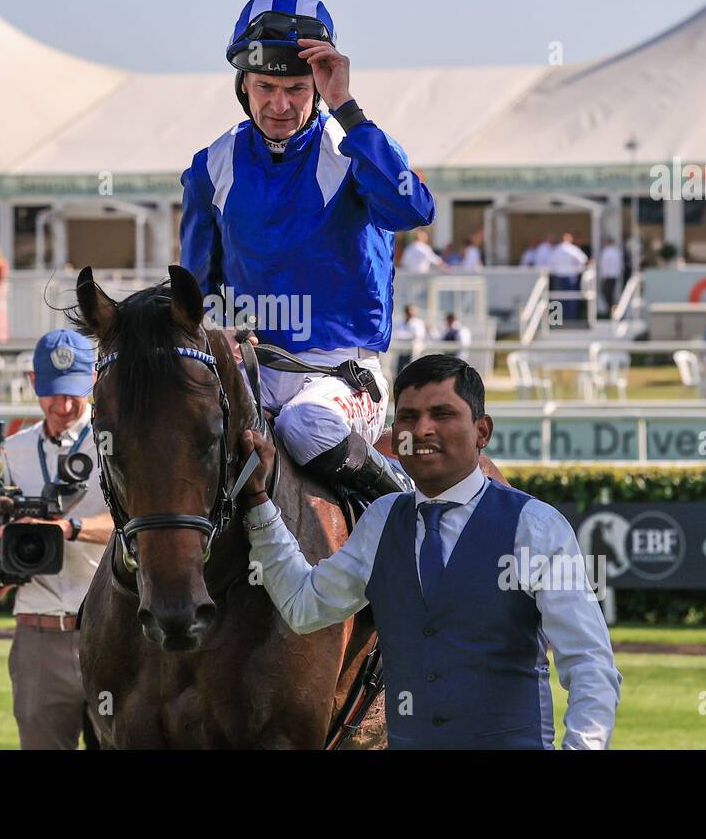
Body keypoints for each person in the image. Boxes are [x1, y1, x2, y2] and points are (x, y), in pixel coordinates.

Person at [237, 355, 620, 749]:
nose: (421, 430)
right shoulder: (382, 520)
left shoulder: (536, 526)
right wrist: (260, 502)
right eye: (408, 417)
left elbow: (590, 664)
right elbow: (304, 606)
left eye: (442, 414)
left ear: (482, 431)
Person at [181, 0, 434, 502]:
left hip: (341, 379)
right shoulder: (211, 164)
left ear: (318, 85)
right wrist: (214, 325)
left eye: (296, 89)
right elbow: (194, 290)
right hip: (250, 374)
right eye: (264, 88)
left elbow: (414, 209)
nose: (279, 104)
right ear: (243, 86)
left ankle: (409, 509)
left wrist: (346, 105)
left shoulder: (352, 146)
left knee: (303, 426)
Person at [0, 331, 114, 750]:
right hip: (38, 635)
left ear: (94, 381)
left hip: (112, 629)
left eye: (73, 393)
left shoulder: (121, 442)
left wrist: (70, 529)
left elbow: (136, 522)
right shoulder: (11, 451)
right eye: (52, 393)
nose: (63, 406)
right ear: (34, 382)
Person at [547, 233, 588, 321]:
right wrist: (578, 270)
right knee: (572, 297)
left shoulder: (557, 250)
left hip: (559, 276)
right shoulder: (573, 249)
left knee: (560, 297)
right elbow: (583, 260)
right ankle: (572, 317)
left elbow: (551, 263)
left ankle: (561, 317)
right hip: (570, 276)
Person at [598, 237, 622, 317]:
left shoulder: (606, 251)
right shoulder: (616, 252)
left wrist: (602, 276)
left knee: (607, 293)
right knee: (610, 293)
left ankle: (612, 309)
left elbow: (604, 265)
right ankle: (612, 309)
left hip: (608, 276)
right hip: (614, 275)